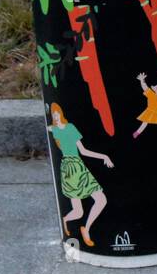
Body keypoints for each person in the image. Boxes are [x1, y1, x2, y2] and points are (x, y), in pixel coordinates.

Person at [48, 103, 113, 248]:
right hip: (68, 169)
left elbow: (83, 151)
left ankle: (87, 228)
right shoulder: (53, 129)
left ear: (61, 114)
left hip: (79, 166)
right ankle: (65, 219)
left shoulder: (70, 128)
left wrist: (103, 156)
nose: (56, 116)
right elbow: (48, 127)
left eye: (57, 113)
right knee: (78, 212)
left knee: (101, 199)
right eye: (53, 115)